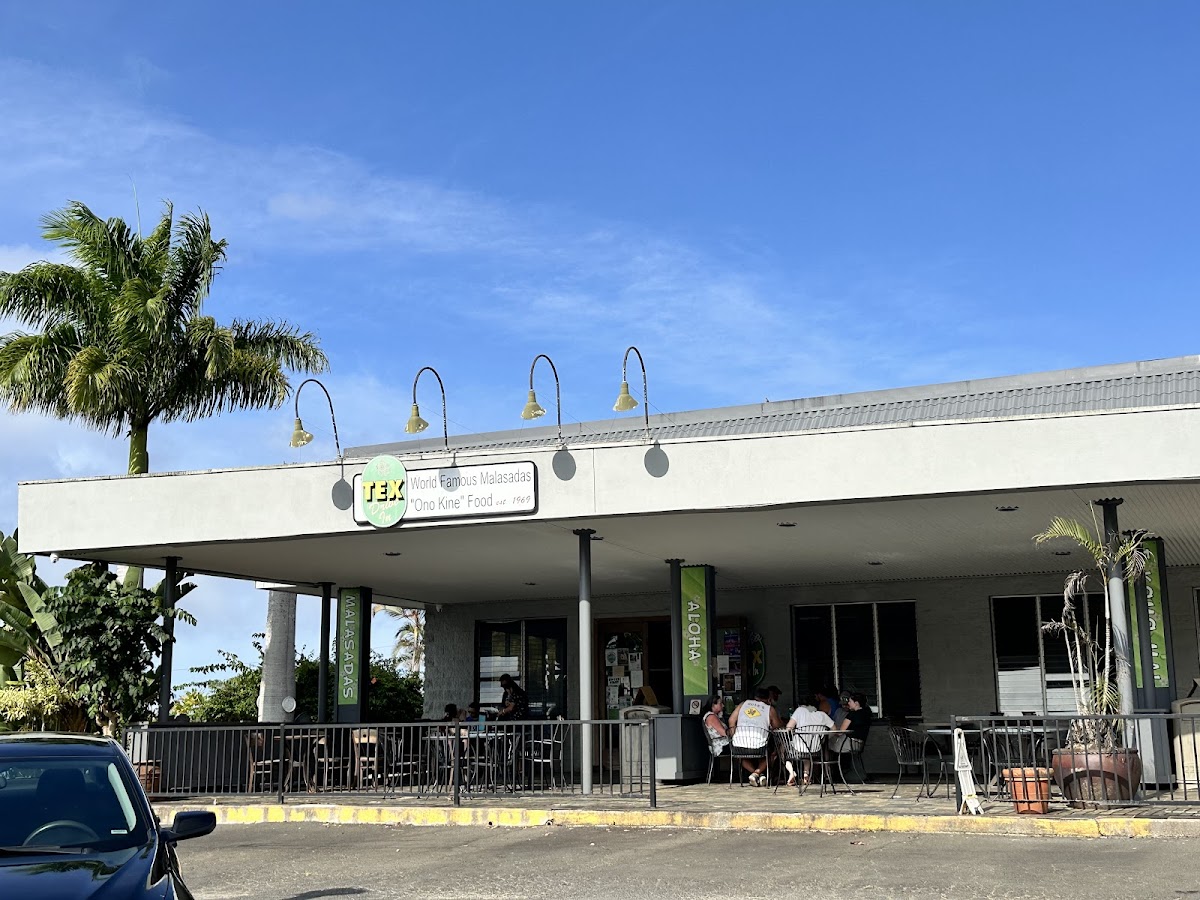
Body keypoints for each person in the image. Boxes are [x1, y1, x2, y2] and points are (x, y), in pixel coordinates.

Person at [728, 687, 782, 785]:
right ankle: (757, 773)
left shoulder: (742, 704)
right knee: (773, 753)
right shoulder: (769, 709)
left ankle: (755, 774)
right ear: (768, 699)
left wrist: (734, 736)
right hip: (759, 746)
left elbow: (731, 720)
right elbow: (777, 727)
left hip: (739, 745)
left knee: (739, 756)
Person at [783, 696, 834, 786]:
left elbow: (788, 728)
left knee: (783, 750)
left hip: (798, 748)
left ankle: (791, 772)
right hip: (815, 749)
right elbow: (834, 729)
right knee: (807, 753)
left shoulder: (799, 710)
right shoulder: (823, 715)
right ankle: (806, 774)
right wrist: (822, 739)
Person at [828, 692, 872, 762]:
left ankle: (829, 765)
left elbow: (840, 732)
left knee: (826, 744)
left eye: (850, 701)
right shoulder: (867, 714)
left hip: (848, 744)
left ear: (856, 703)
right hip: (859, 745)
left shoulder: (852, 714)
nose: (848, 703)